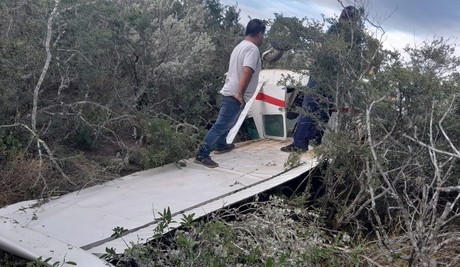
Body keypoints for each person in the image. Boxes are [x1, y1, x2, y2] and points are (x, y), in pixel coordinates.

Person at [281, 6, 364, 152]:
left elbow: (325, 50)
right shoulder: (355, 36)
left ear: (341, 17)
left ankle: (300, 143)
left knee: (309, 107)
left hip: (321, 75)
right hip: (335, 80)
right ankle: (316, 140)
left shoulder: (336, 29)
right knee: (324, 109)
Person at [195, 19, 266, 168]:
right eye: (263, 35)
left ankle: (221, 145)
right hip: (235, 94)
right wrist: (240, 93)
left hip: (230, 91)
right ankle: (202, 154)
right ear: (259, 33)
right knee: (221, 125)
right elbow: (247, 71)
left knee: (229, 122)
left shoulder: (240, 46)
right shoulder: (252, 49)